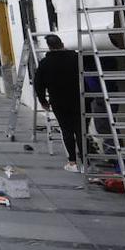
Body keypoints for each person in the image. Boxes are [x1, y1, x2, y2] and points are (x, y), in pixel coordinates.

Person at [33, 35, 82, 172]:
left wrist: (43, 101)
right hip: (78, 99)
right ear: (62, 43)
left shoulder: (45, 63)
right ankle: (85, 161)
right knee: (80, 130)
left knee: (66, 130)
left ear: (49, 47)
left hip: (58, 101)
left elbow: (38, 84)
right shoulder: (75, 58)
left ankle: (72, 162)